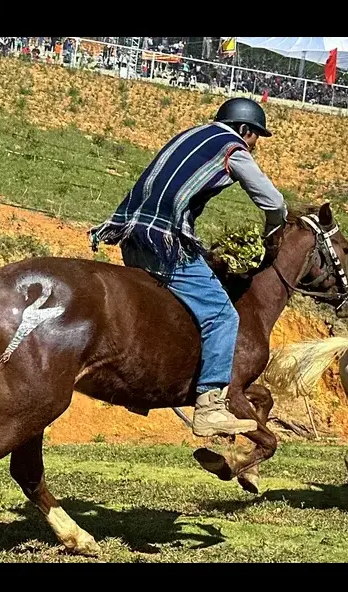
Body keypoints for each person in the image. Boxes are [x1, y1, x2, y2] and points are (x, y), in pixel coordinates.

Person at [90, 97, 287, 438]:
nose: (254, 146)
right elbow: (273, 201)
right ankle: (210, 406)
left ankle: (143, 383)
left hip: (130, 236)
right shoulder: (232, 148)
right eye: (255, 137)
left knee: (165, 305)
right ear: (244, 129)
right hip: (166, 242)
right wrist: (274, 228)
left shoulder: (191, 135)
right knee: (221, 315)